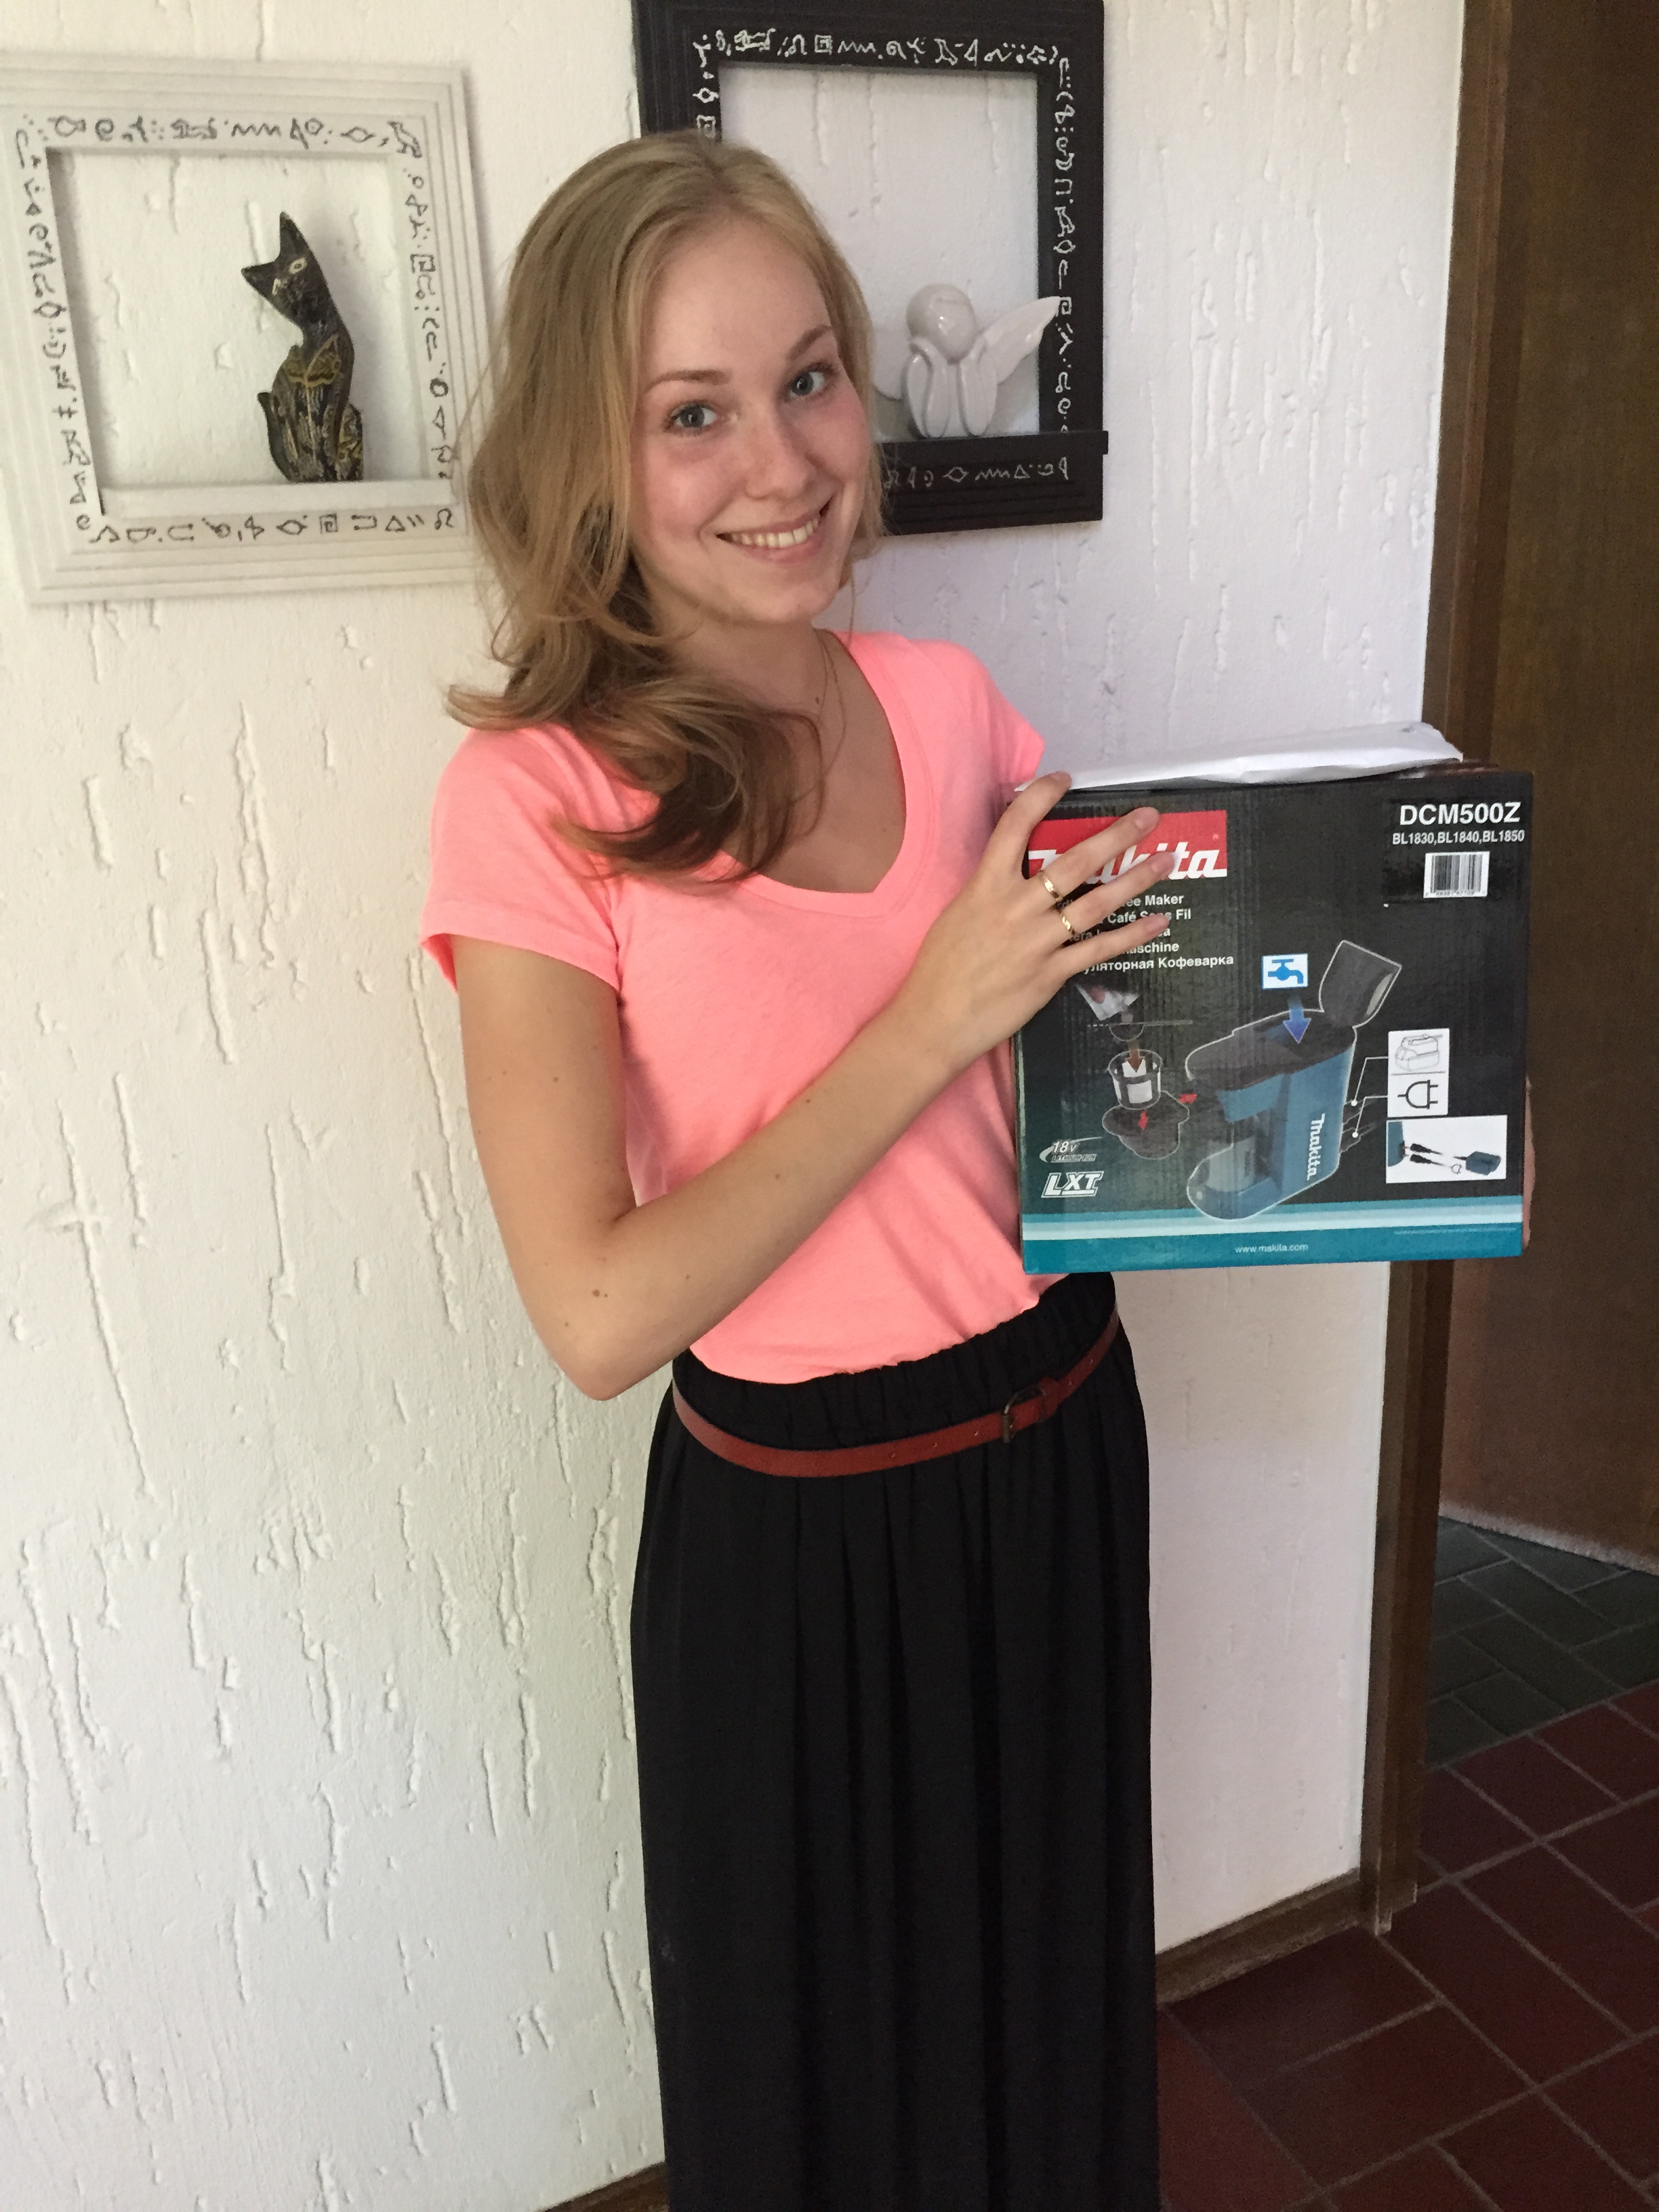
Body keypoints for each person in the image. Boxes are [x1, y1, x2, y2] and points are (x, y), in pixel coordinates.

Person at [421, 130, 1176, 2212]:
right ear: (588, 458)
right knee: (827, 2089)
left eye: (811, 378)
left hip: (1060, 1439)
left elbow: (1107, 1086)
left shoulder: (949, 707)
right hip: (801, 1538)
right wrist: (926, 1020)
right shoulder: (533, 800)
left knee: (1051, 2024)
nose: (781, 461)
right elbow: (596, 1314)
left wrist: (1401, 1100)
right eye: (693, 412)